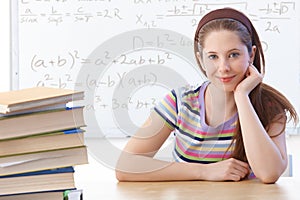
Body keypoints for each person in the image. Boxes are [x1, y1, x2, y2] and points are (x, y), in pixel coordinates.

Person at [115, 7, 298, 184]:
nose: (223, 68)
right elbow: (126, 166)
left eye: (233, 55)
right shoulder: (181, 102)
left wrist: (242, 96)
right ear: (201, 59)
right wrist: (204, 171)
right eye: (213, 57)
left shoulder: (270, 108)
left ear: (251, 55)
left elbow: (269, 174)